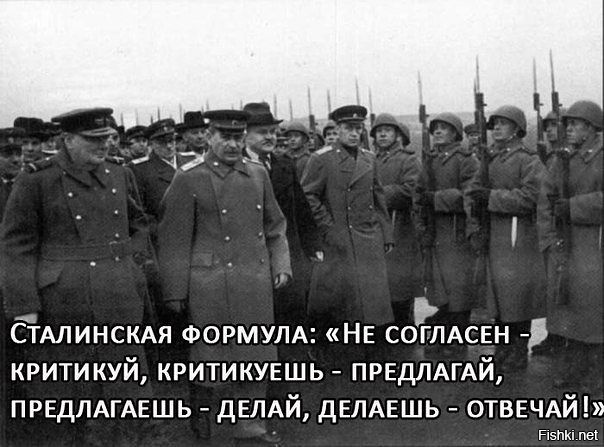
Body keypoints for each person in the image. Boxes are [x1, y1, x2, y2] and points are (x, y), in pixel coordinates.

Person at [0, 108, 152, 443]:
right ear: (67, 140)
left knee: (125, 391)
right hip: (64, 301)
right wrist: (24, 306)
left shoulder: (118, 173)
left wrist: (134, 267)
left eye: (107, 138)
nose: (104, 145)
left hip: (118, 295)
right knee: (69, 394)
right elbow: (16, 246)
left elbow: (138, 223)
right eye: (93, 140)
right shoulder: (37, 180)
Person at [157, 109, 290, 445]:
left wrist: (281, 265)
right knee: (210, 356)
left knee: (255, 353)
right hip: (209, 282)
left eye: (237, 137)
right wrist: (175, 291)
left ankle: (251, 426)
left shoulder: (257, 173)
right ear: (209, 136)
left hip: (254, 278)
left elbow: (275, 226)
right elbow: (173, 239)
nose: (232, 144)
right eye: (225, 137)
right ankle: (204, 424)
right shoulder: (189, 177)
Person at [301, 105, 394, 360]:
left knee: (371, 301)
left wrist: (386, 234)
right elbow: (308, 196)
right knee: (334, 299)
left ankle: (369, 354)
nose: (354, 133)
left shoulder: (369, 158)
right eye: (348, 128)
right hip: (338, 239)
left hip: (368, 236)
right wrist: (328, 227)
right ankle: (326, 350)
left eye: (358, 128)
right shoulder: (321, 159)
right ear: (338, 129)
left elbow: (378, 197)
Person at [466, 105, 546, 372]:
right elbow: (473, 190)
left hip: (518, 236)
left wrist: (491, 197)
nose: (497, 128)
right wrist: (477, 204)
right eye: (495, 124)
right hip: (495, 235)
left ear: (516, 129)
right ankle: (503, 348)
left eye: (503, 123)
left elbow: (531, 197)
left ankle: (517, 350)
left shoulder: (528, 160)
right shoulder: (490, 159)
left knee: (517, 296)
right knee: (499, 295)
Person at [243, 102, 321, 360]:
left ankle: (294, 365)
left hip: (289, 253)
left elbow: (301, 208)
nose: (270, 137)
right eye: (261, 132)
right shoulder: (235, 167)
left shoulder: (284, 165)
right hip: (251, 256)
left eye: (272, 131)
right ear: (245, 134)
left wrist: (312, 245)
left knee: (292, 314)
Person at [537, 100, 602, 395]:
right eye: (568, 124)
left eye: (575, 124)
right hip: (565, 244)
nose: (569, 130)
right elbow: (545, 201)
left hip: (594, 243)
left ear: (591, 128)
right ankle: (575, 366)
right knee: (570, 308)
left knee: (593, 308)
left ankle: (596, 371)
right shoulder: (560, 160)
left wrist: (574, 206)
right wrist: (548, 240)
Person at [414, 113, 479, 358]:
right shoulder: (430, 161)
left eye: (444, 128)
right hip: (436, 233)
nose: (438, 132)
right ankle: (442, 334)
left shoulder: (466, 160)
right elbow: (418, 193)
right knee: (441, 289)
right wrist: (421, 224)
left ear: (455, 133)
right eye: (436, 129)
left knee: (459, 291)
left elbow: (470, 194)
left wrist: (436, 199)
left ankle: (457, 341)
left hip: (457, 232)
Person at [371, 113, 421, 328]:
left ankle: (404, 332)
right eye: (379, 131)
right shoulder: (369, 159)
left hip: (400, 228)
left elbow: (411, 190)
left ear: (396, 134)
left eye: (388, 131)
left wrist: (376, 195)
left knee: (400, 288)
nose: (383, 135)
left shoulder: (408, 159)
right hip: (374, 229)